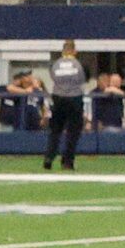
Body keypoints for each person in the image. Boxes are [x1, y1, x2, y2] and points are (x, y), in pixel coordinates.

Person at [42, 39, 88, 171]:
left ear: (63, 51)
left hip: (58, 98)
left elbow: (53, 78)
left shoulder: (55, 64)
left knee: (55, 131)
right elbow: (83, 79)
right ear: (75, 51)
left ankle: (49, 158)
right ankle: (67, 161)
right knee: (73, 132)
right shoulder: (79, 65)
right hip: (74, 98)